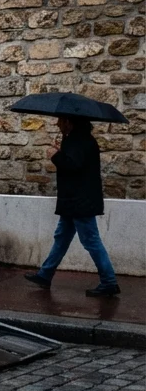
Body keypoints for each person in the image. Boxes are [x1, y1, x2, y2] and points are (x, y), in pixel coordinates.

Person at [24, 115, 119, 297]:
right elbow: (75, 163)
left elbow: (73, 166)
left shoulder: (78, 140)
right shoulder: (79, 140)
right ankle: (45, 274)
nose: (57, 123)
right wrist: (62, 152)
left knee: (91, 240)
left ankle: (109, 282)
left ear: (69, 122)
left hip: (80, 201)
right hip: (74, 201)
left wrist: (56, 155)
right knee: (62, 237)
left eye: (60, 120)